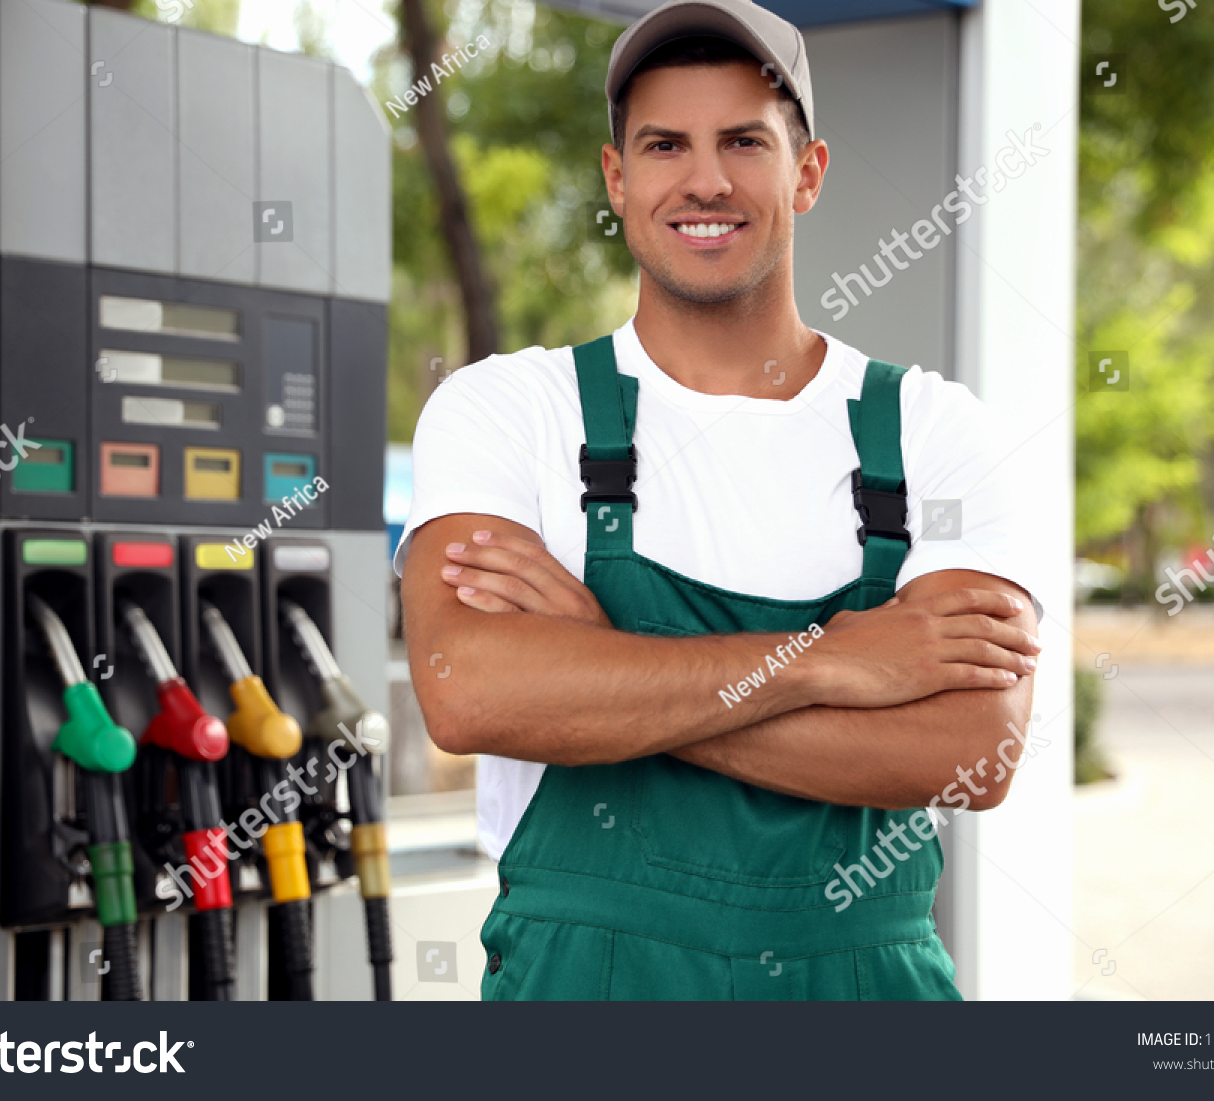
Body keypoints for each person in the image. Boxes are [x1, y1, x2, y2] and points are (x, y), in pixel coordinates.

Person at [395, 0, 1043, 1000]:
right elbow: (467, 688)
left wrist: (599, 664)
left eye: (744, 140)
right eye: (665, 145)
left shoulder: (937, 432)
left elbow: (975, 751)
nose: (706, 181)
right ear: (618, 179)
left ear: (809, 172)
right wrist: (834, 662)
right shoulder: (506, 411)